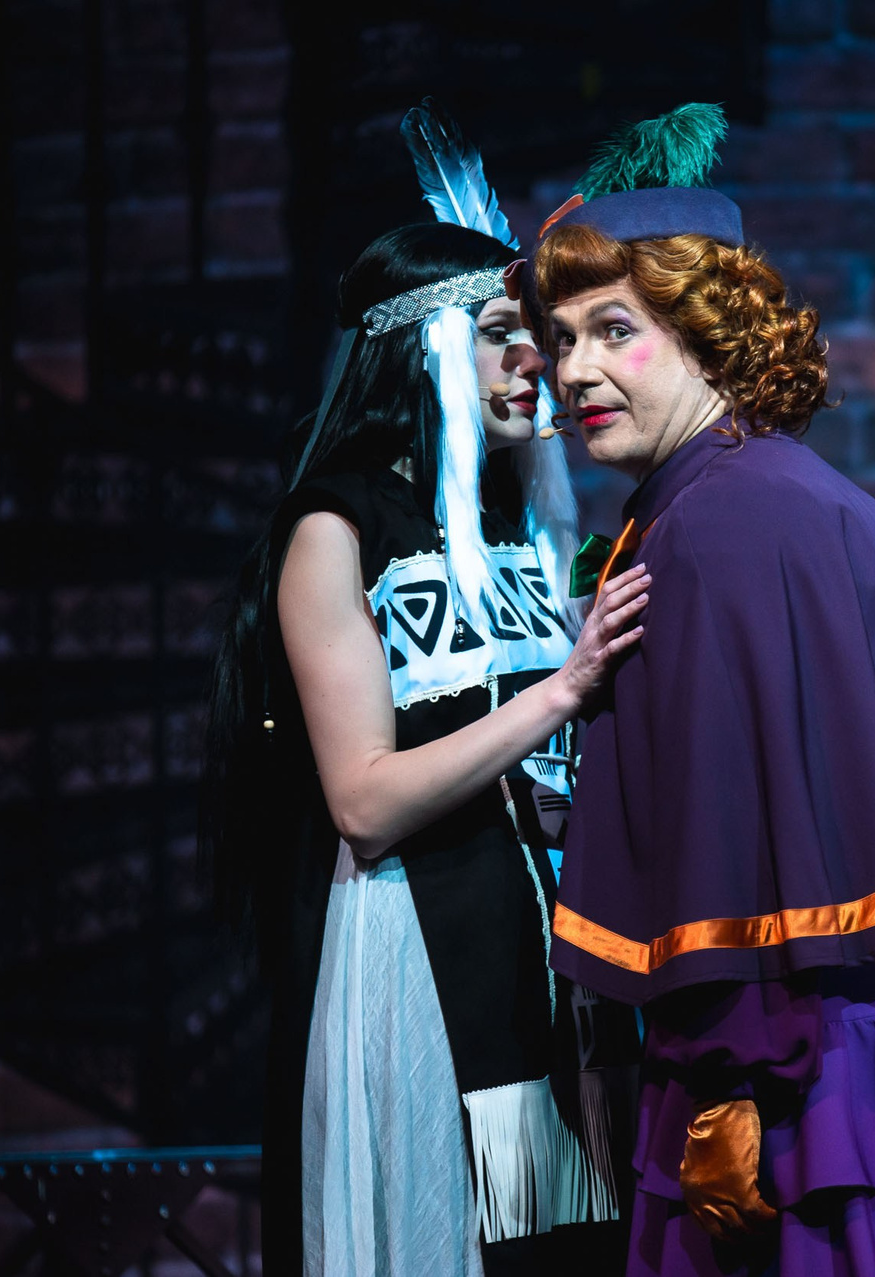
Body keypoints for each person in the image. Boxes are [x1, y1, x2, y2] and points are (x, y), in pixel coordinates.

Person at [535, 105, 875, 1276]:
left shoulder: (724, 525)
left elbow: (746, 830)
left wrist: (730, 1091)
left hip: (814, 1080)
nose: (573, 369)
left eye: (615, 330)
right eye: (562, 336)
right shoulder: (754, 492)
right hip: (872, 1047)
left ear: (706, 333)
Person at [201, 121, 646, 1273]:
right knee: (443, 1240)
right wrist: (566, 688)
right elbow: (363, 799)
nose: (534, 364)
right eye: (501, 337)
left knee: (554, 1246)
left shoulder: (519, 528)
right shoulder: (334, 530)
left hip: (546, 958)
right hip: (421, 945)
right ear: (423, 348)